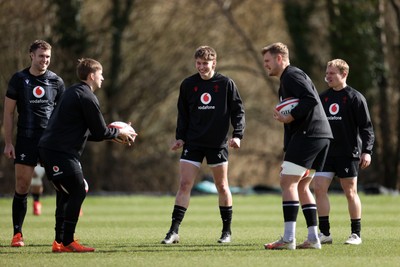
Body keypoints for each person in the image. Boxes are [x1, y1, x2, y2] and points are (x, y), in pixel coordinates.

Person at [38, 58, 137, 253]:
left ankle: (59, 242)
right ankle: (68, 242)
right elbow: (100, 132)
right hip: (59, 152)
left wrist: (114, 134)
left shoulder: (73, 92)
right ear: (92, 75)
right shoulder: (87, 97)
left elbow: (85, 133)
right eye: (100, 74)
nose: (103, 78)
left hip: (50, 149)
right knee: (79, 190)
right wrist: (119, 133)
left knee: (66, 193)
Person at [161, 46, 245, 244]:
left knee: (222, 186)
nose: (201, 67)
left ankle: (226, 232)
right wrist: (180, 137)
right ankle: (173, 231)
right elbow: (183, 114)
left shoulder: (226, 83)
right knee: (184, 184)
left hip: (217, 144)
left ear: (213, 63)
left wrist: (238, 135)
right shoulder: (188, 84)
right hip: (193, 142)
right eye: (198, 63)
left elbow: (238, 111)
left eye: (205, 64)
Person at [261, 42, 333, 250]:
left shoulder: (291, 75)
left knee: (287, 182)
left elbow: (310, 99)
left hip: (309, 136)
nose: (265, 65)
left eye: (267, 61)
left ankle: (288, 238)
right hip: (319, 136)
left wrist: (290, 116)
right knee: (302, 185)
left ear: (279, 59)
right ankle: (313, 238)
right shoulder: (289, 78)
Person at [3, 40, 65, 247]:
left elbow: (64, 115)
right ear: (31, 55)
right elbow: (9, 113)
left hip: (50, 142)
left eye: (48, 57)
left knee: (61, 186)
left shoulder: (57, 81)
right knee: (22, 185)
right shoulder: (19, 80)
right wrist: (9, 143)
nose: (45, 60)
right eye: (41, 56)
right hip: (26, 140)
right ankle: (17, 234)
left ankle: (61, 237)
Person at [314, 59, 374, 245]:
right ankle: (325, 233)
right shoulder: (323, 98)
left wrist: (367, 151)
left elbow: (367, 128)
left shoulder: (355, 98)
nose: (328, 76)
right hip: (326, 153)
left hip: (348, 152)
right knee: (319, 188)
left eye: (332, 73)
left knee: (350, 192)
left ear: (344, 74)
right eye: (327, 72)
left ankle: (356, 234)